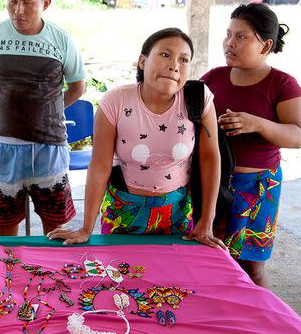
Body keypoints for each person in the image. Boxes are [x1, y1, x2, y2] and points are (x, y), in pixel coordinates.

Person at [48, 28, 226, 248]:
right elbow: (100, 166)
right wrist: (86, 228)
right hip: (123, 210)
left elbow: (210, 158)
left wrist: (206, 221)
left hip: (178, 212)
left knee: (171, 279)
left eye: (184, 59)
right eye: (165, 54)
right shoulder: (115, 101)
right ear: (143, 61)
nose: (174, 65)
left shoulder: (199, 98)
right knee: (119, 276)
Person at [0, 0, 86, 236]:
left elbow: (77, 87)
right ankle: (6, 278)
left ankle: (52, 278)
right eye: (12, 2)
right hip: (2, 150)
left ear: (45, 3)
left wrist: (48, 111)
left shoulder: (61, 39)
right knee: (4, 227)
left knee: (55, 228)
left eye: (27, 3)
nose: (18, 10)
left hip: (49, 150)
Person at [201, 3, 301, 287]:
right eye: (228, 34)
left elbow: (297, 136)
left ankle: (262, 324)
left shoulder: (283, 84)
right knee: (210, 257)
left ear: (266, 45)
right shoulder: (213, 78)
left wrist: (258, 124)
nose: (230, 43)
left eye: (242, 37)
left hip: (259, 188)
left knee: (251, 265)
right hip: (214, 184)